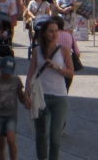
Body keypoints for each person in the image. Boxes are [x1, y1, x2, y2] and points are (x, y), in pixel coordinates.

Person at [26, 15, 73, 160]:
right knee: (41, 134)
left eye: (56, 31)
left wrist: (57, 68)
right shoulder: (37, 51)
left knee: (55, 137)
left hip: (59, 97)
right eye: (51, 31)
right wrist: (27, 93)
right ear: (44, 33)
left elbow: (71, 73)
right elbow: (31, 74)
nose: (54, 34)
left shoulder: (64, 50)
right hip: (41, 95)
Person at [0, 56, 29, 160]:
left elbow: (21, 97)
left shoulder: (16, 80)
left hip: (11, 116)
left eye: (9, 72)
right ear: (0, 69)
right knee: (0, 144)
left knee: (11, 139)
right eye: (5, 71)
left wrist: (26, 101)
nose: (6, 74)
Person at [51, 14, 80, 92]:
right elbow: (77, 53)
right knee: (64, 92)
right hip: (67, 69)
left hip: (52, 68)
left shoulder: (49, 36)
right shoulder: (69, 35)